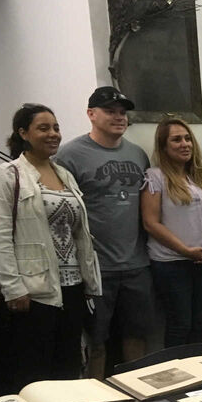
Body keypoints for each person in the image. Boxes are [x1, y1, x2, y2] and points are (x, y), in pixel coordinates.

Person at [0, 104, 101, 390]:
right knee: (34, 369)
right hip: (33, 291)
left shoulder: (64, 175)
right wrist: (14, 288)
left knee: (69, 364)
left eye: (56, 128)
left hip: (73, 287)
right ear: (23, 133)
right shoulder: (7, 175)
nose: (53, 134)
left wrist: (89, 280)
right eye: (43, 128)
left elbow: (79, 233)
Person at [55, 86, 151, 378]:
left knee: (137, 335)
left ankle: (140, 396)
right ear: (91, 114)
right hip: (95, 268)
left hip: (137, 264)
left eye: (122, 113)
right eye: (110, 111)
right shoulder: (69, 155)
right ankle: (95, 401)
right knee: (96, 340)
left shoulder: (138, 154)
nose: (119, 117)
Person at [141, 118, 202, 347]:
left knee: (201, 323)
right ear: (163, 147)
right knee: (180, 324)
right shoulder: (155, 177)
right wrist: (186, 250)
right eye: (176, 139)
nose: (184, 144)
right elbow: (150, 223)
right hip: (172, 263)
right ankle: (179, 377)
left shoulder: (198, 179)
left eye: (187, 139)